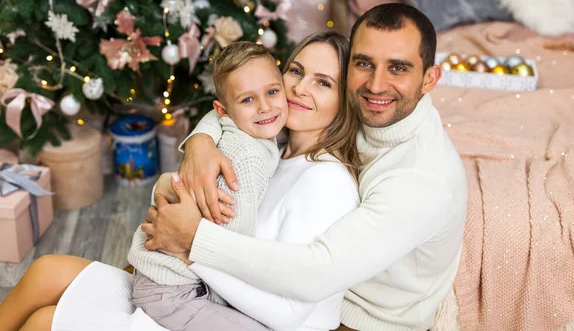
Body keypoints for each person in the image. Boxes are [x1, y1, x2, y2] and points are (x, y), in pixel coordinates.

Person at [0, 30, 362, 331]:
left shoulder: (325, 183)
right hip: (196, 288)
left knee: (45, 323)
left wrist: (190, 249)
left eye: (323, 83)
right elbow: (223, 113)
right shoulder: (274, 139)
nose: (300, 89)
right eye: (296, 72)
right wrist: (197, 146)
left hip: (237, 314)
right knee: (46, 272)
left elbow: (287, 314)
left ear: (344, 101)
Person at [144, 3, 468, 330]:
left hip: (362, 321)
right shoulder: (301, 130)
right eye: (365, 63)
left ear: (430, 78)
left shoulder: (418, 179)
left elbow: (316, 274)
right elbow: (238, 101)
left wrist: (192, 242)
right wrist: (201, 142)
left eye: (398, 68)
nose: (376, 84)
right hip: (273, 299)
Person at [127, 41, 287, 330]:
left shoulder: (239, 128)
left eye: (273, 92)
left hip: (165, 278)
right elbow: (231, 235)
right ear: (224, 110)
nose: (265, 107)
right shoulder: (249, 158)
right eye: (248, 100)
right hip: (175, 290)